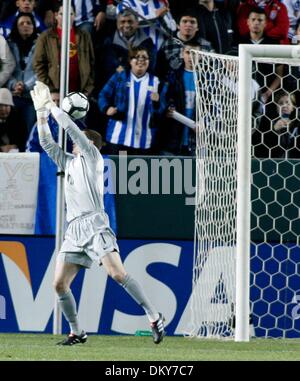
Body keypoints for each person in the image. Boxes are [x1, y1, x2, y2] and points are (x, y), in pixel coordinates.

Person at [30, 80, 166, 345]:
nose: (72, 146)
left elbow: (70, 128)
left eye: (77, 143)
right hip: (74, 229)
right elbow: (46, 143)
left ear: (89, 143)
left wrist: (53, 105)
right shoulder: (68, 163)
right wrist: (41, 113)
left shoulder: (93, 156)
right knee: (59, 284)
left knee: (117, 274)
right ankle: (77, 332)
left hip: (95, 224)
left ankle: (154, 316)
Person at [98, 46, 167, 155]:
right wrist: (106, 108)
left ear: (149, 61)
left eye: (144, 58)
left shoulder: (157, 82)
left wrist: (157, 103)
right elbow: (103, 95)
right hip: (119, 138)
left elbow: (162, 110)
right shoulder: (120, 77)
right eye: (136, 57)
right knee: (120, 170)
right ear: (130, 61)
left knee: (140, 171)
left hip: (144, 141)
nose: (141, 61)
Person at [32, 3, 95, 96]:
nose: (67, 17)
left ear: (75, 16)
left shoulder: (84, 36)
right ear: (56, 15)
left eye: (71, 14)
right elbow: (38, 65)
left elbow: (91, 63)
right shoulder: (45, 37)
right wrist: (51, 89)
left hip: (79, 92)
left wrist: (87, 89)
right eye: (62, 14)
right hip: (55, 94)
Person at [7, 12, 39, 134]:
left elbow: (42, 70)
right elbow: (4, 69)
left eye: (29, 23)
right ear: (16, 26)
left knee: (29, 130)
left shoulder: (40, 44)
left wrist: (25, 86)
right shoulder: (8, 45)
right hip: (12, 96)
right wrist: (14, 84)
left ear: (33, 26)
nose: (25, 25)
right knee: (12, 132)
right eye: (22, 23)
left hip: (31, 97)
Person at [0, 87, 27, 152]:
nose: (3, 109)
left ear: (11, 106)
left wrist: (15, 146)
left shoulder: (18, 119)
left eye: (6, 106)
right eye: (0, 105)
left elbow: (23, 139)